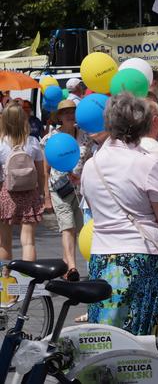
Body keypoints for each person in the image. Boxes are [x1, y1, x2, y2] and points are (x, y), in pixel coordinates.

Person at [80, 93, 158, 336]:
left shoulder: (92, 166)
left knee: (104, 337)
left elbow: (92, 208)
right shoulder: (148, 164)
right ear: (143, 125)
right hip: (143, 258)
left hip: (102, 257)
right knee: (142, 340)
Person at [41, 100, 94, 281]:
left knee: (81, 229)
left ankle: (66, 263)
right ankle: (72, 268)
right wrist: (46, 196)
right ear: (60, 117)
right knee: (68, 227)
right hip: (59, 189)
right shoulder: (50, 139)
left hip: (81, 191)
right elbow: (45, 170)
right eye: (65, 112)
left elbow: (90, 162)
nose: (70, 115)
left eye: (72, 111)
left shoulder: (86, 136)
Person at [0, 101, 45, 262]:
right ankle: (28, 280)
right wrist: (42, 194)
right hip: (30, 194)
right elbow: (41, 174)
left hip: (7, 194)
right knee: (28, 242)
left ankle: (5, 280)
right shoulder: (32, 142)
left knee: (4, 243)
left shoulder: (1, 143)